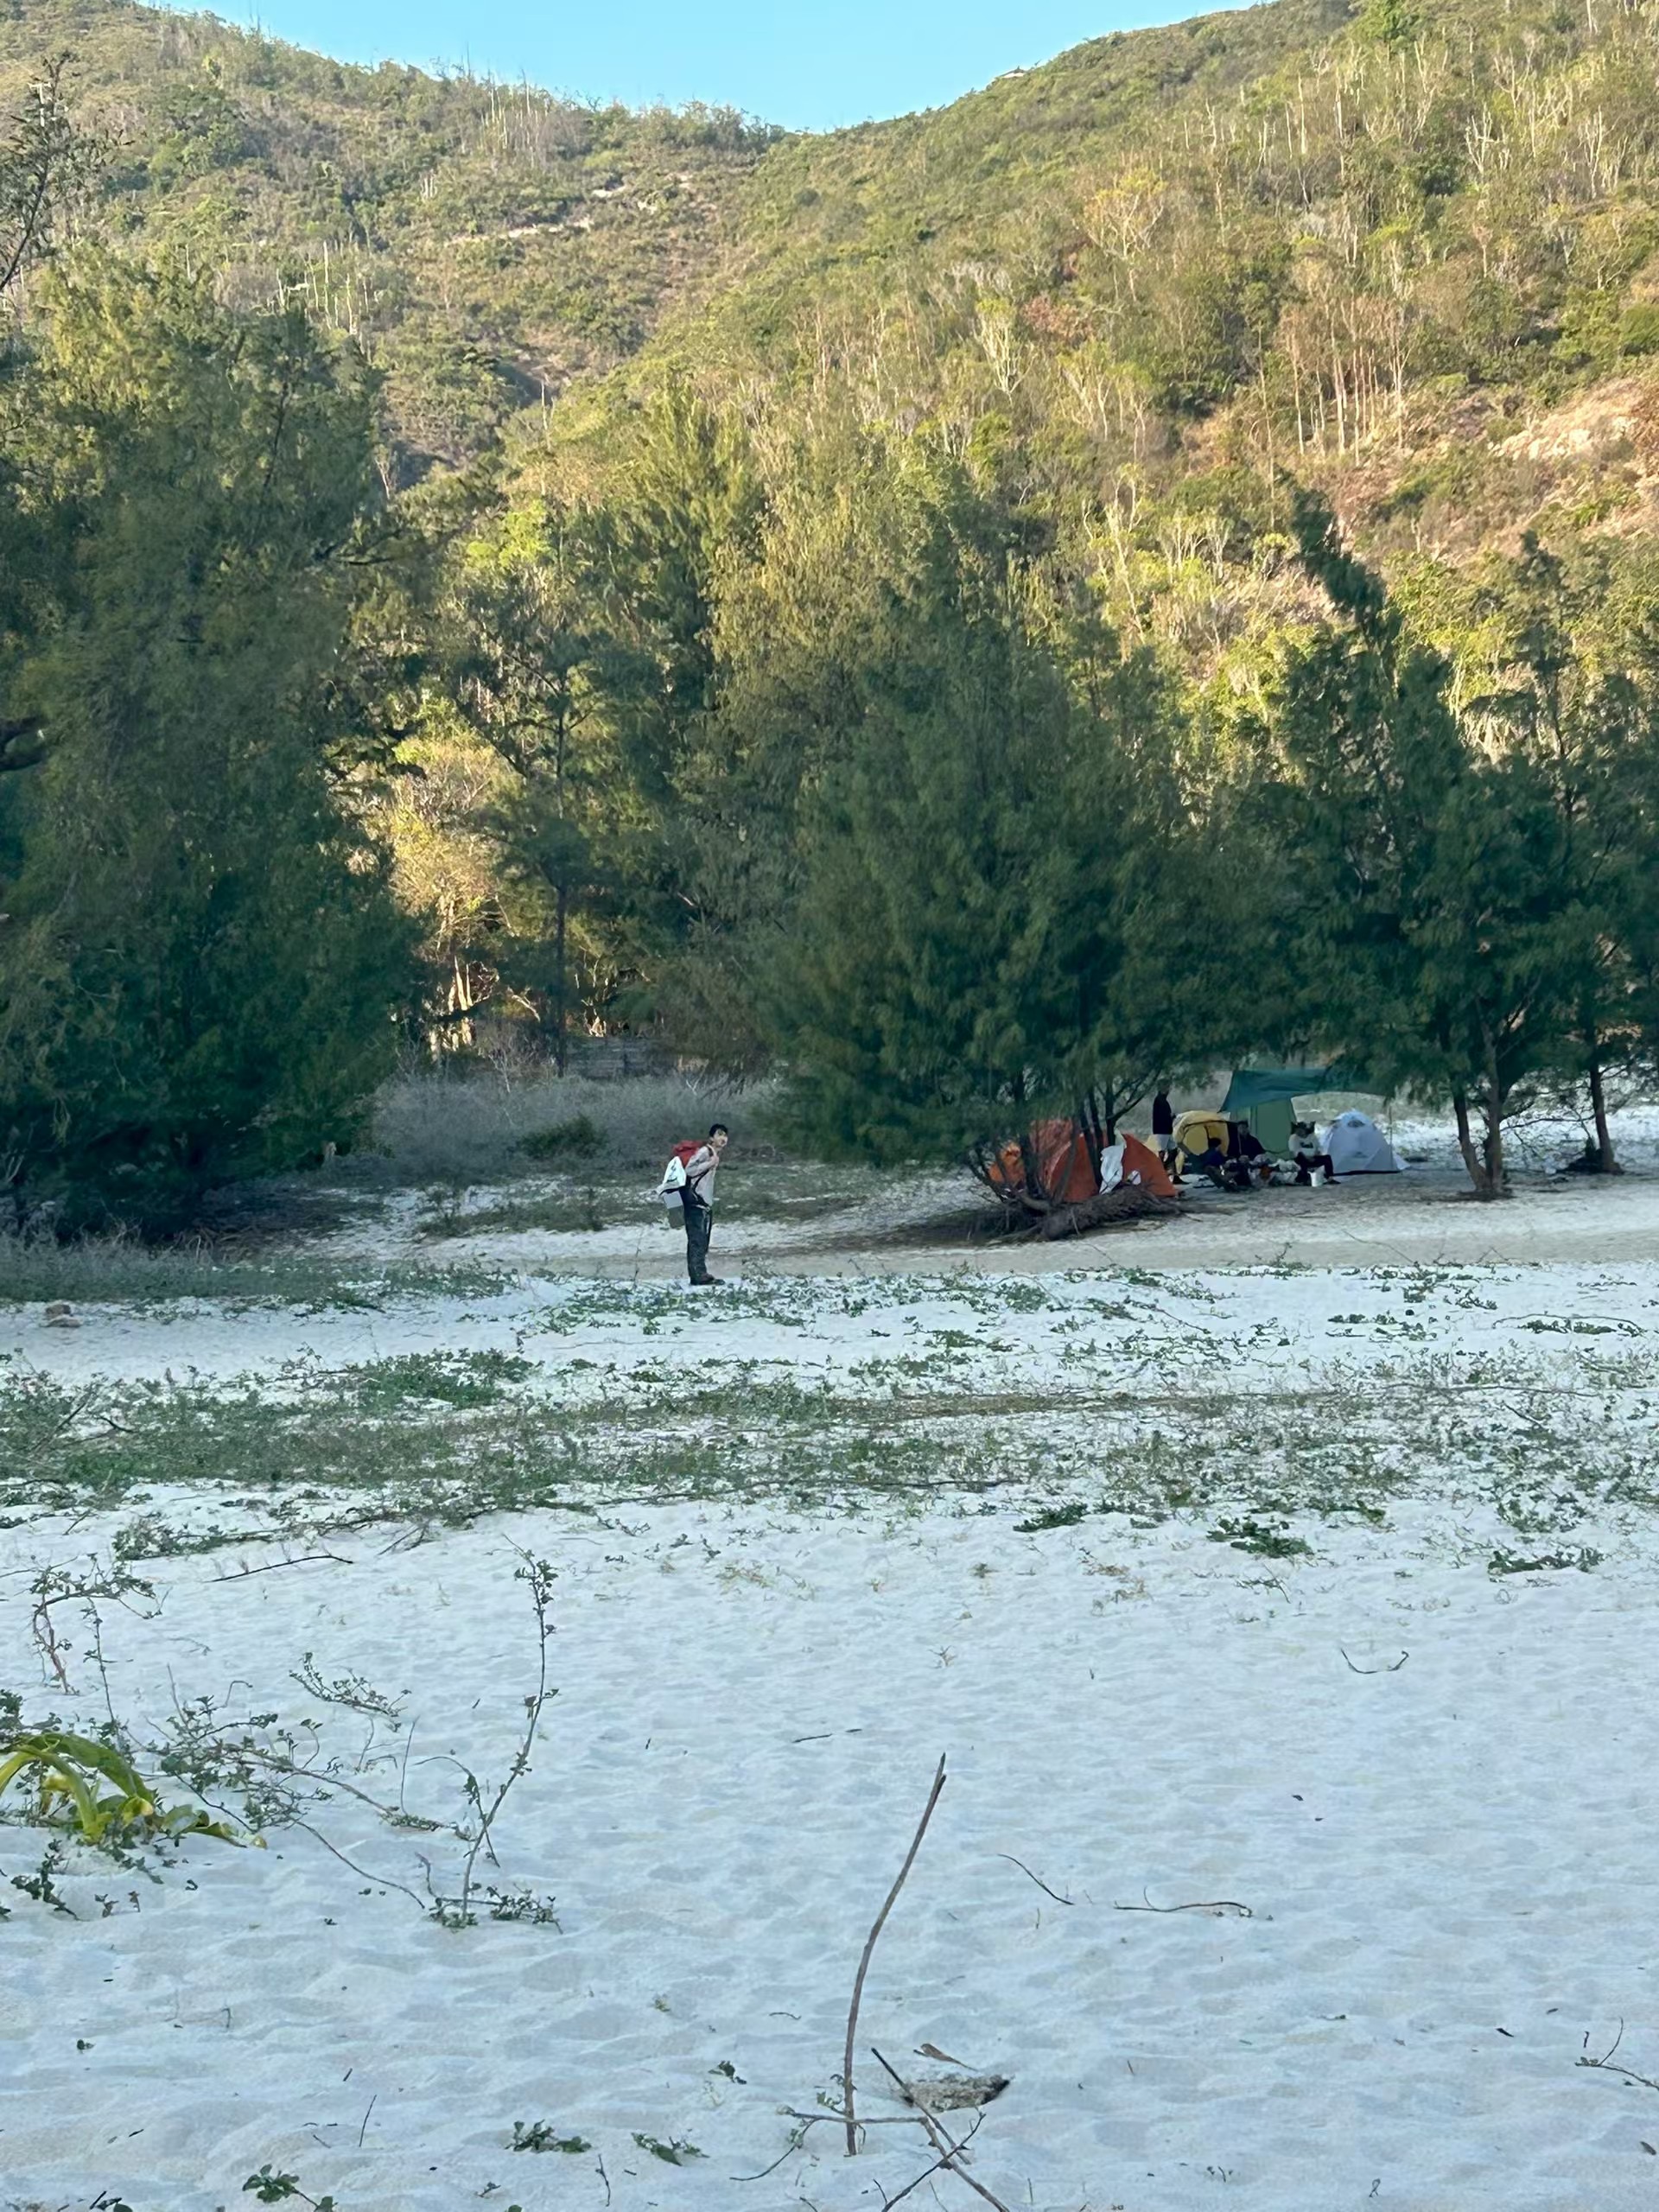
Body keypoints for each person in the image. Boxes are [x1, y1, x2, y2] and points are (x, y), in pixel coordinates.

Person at [679, 1122, 729, 1284]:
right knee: (697, 1240)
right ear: (711, 1137)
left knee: (702, 1240)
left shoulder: (713, 1153)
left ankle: (699, 1274)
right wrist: (710, 1163)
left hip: (703, 1203)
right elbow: (689, 1170)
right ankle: (698, 1276)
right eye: (719, 1134)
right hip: (695, 1203)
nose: (723, 1138)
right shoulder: (705, 1152)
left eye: (725, 1135)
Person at [1288, 1120, 1337, 1185]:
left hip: (1313, 1158)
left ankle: (1330, 1178)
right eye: (1297, 1130)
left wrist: (1317, 1153)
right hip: (1300, 1159)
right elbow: (1296, 1150)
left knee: (1327, 1158)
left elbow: (1319, 1147)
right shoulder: (1293, 1138)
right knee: (1301, 1159)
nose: (1299, 1132)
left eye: (1300, 1130)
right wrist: (1307, 1157)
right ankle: (1304, 1179)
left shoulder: (1312, 1137)